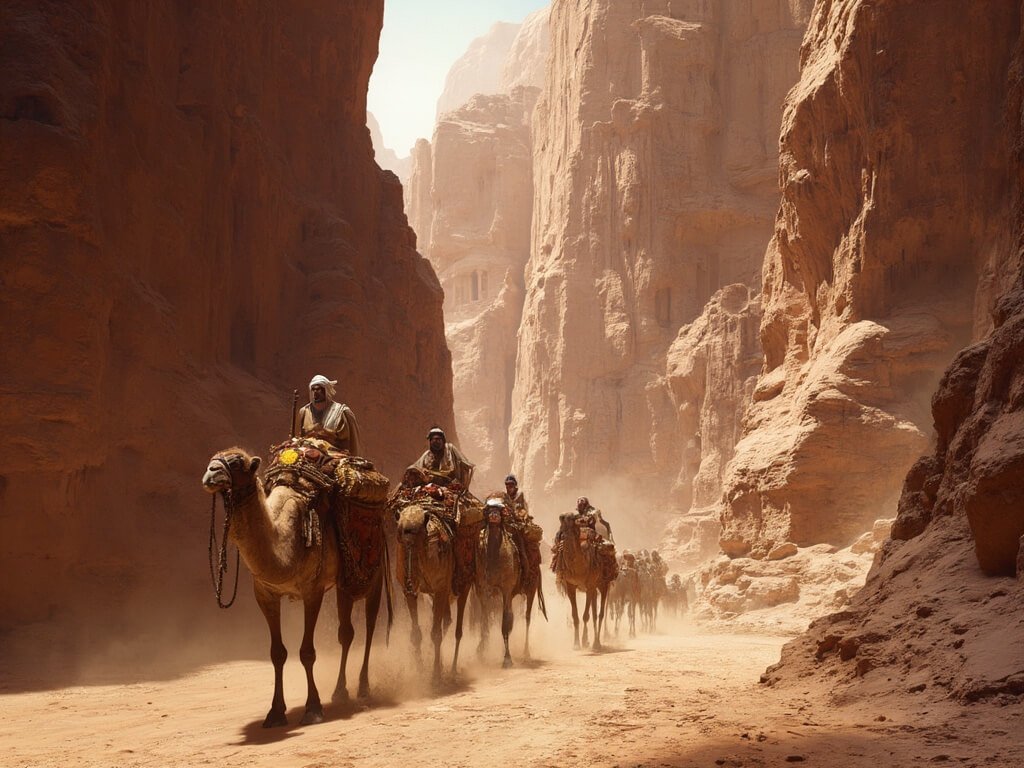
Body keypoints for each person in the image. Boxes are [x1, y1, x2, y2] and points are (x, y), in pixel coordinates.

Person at [293, 374, 362, 455]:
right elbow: (298, 438)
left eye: (318, 389)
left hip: (334, 455)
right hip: (308, 454)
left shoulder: (340, 412)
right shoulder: (304, 411)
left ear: (326, 390)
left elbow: (350, 443)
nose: (315, 392)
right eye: (313, 389)